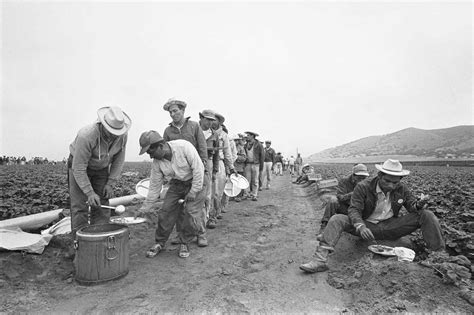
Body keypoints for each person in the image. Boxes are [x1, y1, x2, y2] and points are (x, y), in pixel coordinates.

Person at [300, 159, 445, 273]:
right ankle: (319, 261)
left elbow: (412, 206)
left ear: (400, 180)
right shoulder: (363, 187)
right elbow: (354, 209)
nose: (391, 186)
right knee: (337, 219)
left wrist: (419, 204)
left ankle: (438, 258)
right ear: (380, 175)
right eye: (387, 181)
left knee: (426, 214)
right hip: (367, 225)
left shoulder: (401, 189)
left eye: (395, 182)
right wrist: (360, 225)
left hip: (390, 226)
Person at [136, 131, 206, 259]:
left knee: (190, 212)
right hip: (177, 184)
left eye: (151, 152)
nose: (151, 157)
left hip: (197, 182)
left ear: (161, 146)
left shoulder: (184, 147)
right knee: (166, 211)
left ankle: (185, 242)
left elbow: (198, 169)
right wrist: (145, 208)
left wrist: (193, 191)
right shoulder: (157, 163)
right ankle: (160, 242)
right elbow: (154, 187)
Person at [68, 106, 131, 237]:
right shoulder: (86, 136)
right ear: (103, 125)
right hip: (79, 167)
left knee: (102, 203)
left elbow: (119, 160)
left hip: (102, 168)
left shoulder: (122, 135)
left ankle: (101, 239)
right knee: (80, 207)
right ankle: (80, 244)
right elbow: (79, 168)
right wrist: (89, 192)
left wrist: (110, 183)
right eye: (111, 132)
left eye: (117, 133)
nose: (114, 136)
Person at [162, 99, 209, 247]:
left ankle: (201, 233)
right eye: (170, 112)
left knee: (194, 207)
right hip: (179, 176)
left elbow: (202, 148)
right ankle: (181, 234)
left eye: (175, 110)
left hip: (196, 172)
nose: (173, 114)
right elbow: (165, 153)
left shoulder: (194, 126)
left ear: (183, 111)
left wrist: (204, 169)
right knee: (179, 207)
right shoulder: (168, 131)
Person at [317, 164, 370, 237]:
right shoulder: (344, 181)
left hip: (358, 210)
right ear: (353, 175)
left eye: (364, 178)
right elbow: (340, 197)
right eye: (359, 178)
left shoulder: (367, 183)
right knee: (333, 200)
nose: (361, 180)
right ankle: (324, 225)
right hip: (346, 207)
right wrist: (354, 193)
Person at [209, 112, 235, 224]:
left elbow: (228, 153)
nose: (212, 122)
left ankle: (213, 216)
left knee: (217, 193)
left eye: (214, 120)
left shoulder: (224, 136)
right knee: (206, 193)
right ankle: (205, 216)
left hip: (219, 163)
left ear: (219, 122)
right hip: (206, 163)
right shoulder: (205, 133)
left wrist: (231, 168)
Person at [198, 110, 219, 230]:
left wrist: (215, 170)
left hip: (209, 162)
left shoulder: (214, 134)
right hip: (195, 162)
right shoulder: (194, 130)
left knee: (208, 193)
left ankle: (206, 218)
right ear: (201, 118)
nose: (209, 122)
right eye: (207, 119)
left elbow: (216, 154)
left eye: (212, 120)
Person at [243, 131, 264, 201]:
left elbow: (262, 156)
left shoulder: (259, 145)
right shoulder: (246, 145)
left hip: (256, 164)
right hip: (248, 164)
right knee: (247, 180)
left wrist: (261, 167)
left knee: (255, 180)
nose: (247, 136)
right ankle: (246, 194)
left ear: (252, 136)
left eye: (248, 135)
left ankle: (254, 195)